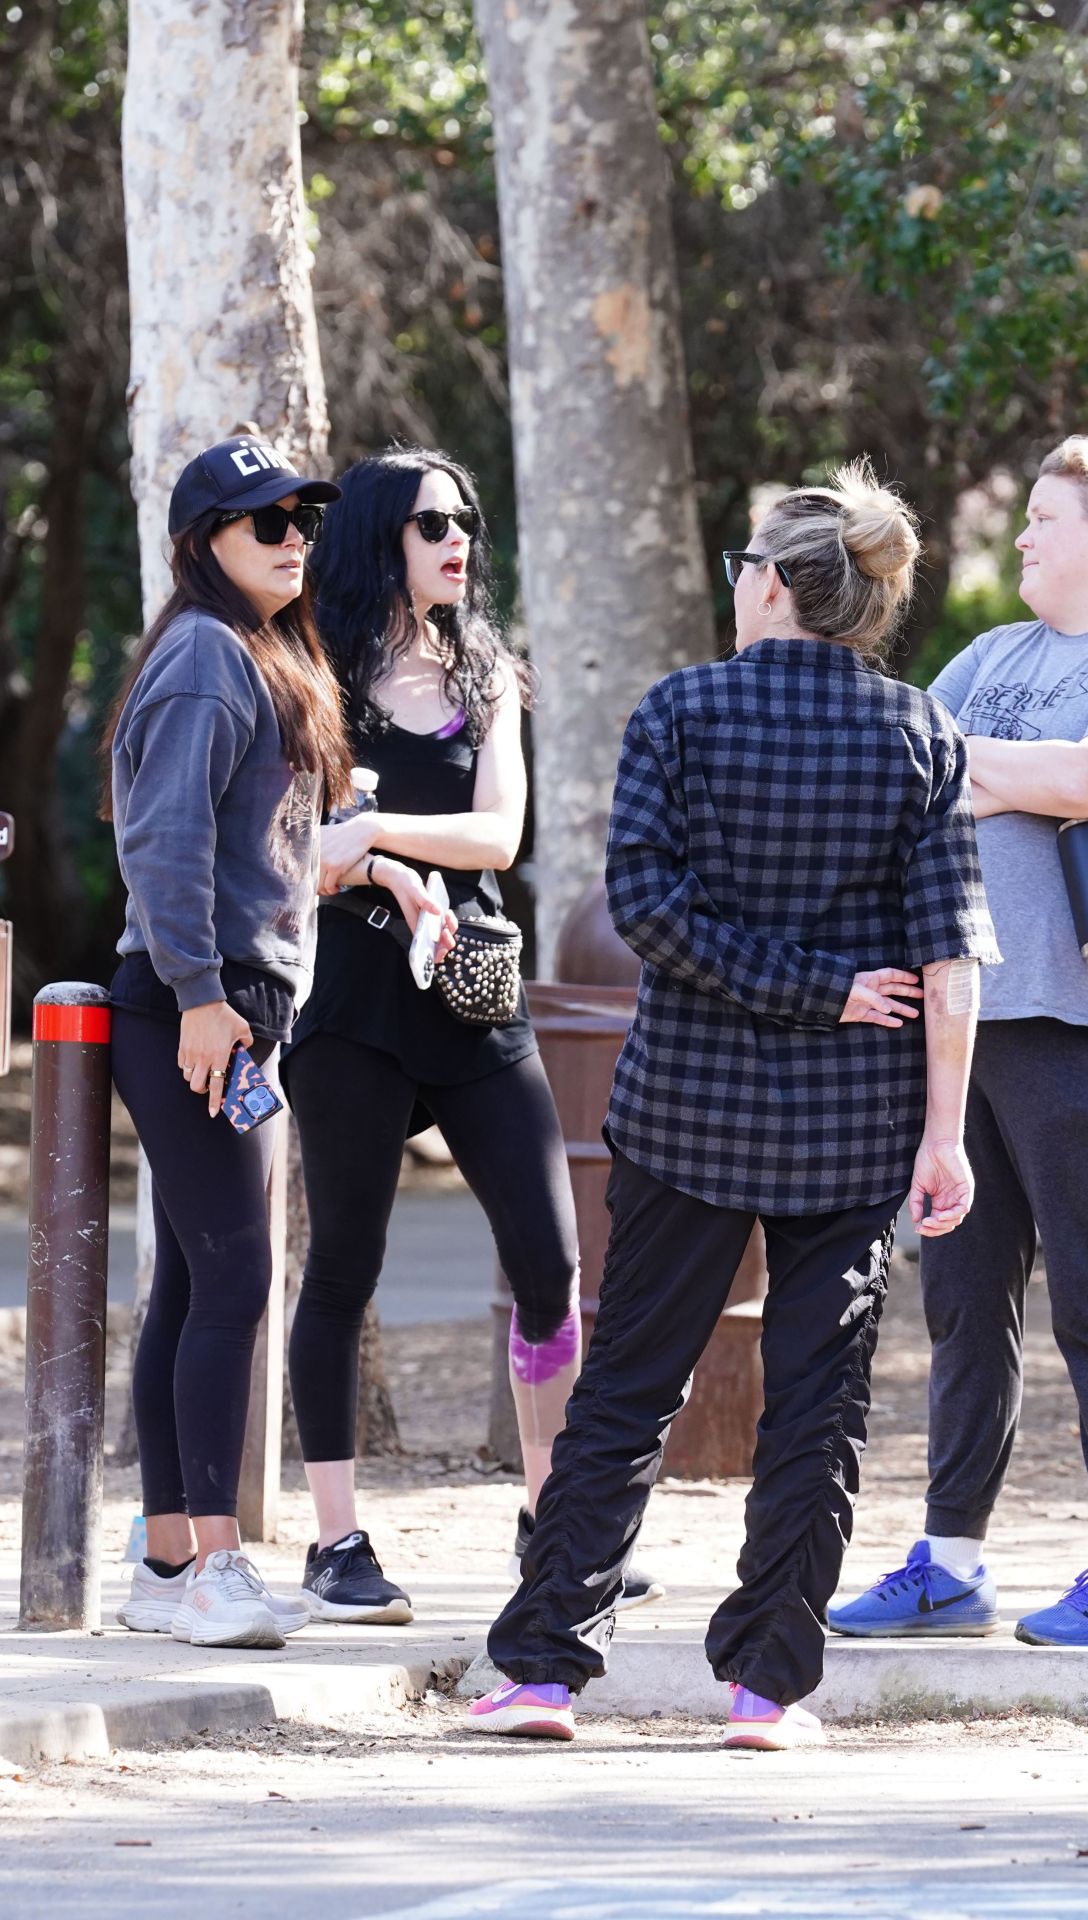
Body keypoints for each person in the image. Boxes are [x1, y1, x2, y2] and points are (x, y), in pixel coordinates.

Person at [469, 461, 999, 1749]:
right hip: (859, 1126)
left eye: (740, 568)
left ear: (769, 585)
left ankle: (544, 1668)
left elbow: (644, 912)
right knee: (819, 1403)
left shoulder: (680, 713)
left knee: (628, 1386)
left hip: (686, 1116)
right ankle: (766, 1688)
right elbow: (949, 965)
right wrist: (940, 1129)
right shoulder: (921, 733)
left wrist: (796, 987)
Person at [832, 431, 1088, 1650]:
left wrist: (998, 774)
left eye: (1042, 519)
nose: (1019, 538)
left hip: (1077, 1023)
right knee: (960, 1302)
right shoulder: (993, 653)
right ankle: (949, 1560)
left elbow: (1087, 777)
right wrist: (1008, 775)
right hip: (958, 1025)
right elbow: (896, 772)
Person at [280, 446, 661, 1624]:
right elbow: (298, 843)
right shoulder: (309, 669)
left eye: (467, 525)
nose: (458, 544)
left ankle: (550, 1522)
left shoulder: (485, 670)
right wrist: (362, 856)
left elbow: (498, 837)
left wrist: (378, 838)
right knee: (342, 1265)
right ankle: (336, 1542)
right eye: (432, 523)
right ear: (377, 536)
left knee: (552, 1266)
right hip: (345, 1003)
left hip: (473, 983)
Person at [106, 433, 363, 1649]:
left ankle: (167, 1563)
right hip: (190, 1007)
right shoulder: (209, 652)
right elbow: (157, 843)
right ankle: (211, 1566)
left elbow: (247, 848)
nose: (293, 539)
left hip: (220, 1004)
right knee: (236, 1280)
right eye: (266, 523)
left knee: (197, 1282)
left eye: (301, 520)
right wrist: (203, 992)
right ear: (202, 543)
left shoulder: (258, 652)